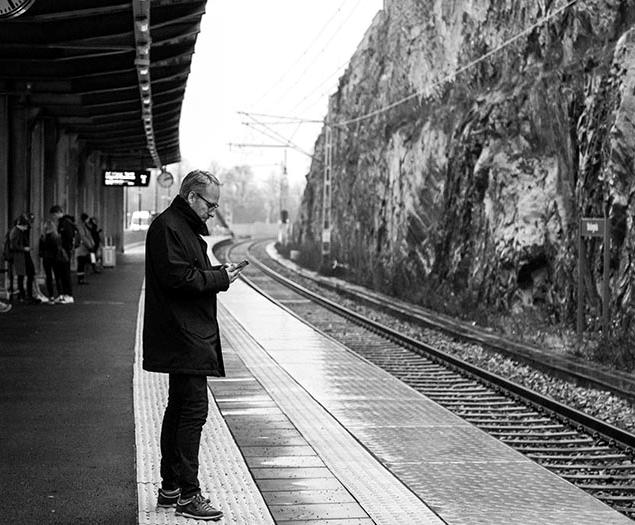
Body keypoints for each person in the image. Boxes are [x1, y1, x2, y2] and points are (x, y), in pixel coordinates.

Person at [143, 170, 242, 521]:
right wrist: (220, 278)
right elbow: (178, 278)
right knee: (192, 412)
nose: (213, 211)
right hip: (183, 335)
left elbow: (185, 272)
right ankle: (188, 494)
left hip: (184, 334)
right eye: (210, 204)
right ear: (191, 197)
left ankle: (171, 487)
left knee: (180, 408)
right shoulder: (169, 227)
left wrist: (217, 273)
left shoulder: (178, 227)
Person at [9, 214, 39, 304]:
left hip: (22, 255)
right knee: (23, 275)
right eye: (25, 226)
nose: (26, 228)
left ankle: (25, 295)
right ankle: (24, 296)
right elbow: (13, 245)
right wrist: (24, 248)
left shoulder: (17, 231)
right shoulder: (16, 232)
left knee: (25, 275)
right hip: (20, 255)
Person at [49, 205, 75, 304]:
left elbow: (67, 237)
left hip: (65, 251)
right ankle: (64, 294)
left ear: (57, 213)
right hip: (64, 251)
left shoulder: (65, 223)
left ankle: (68, 295)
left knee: (65, 273)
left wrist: (58, 238)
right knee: (62, 273)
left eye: (53, 215)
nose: (53, 217)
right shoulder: (64, 222)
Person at [39, 218, 66, 303]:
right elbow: (59, 248)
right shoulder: (57, 237)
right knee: (58, 277)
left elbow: (40, 251)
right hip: (56, 258)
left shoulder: (43, 237)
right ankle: (61, 296)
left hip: (46, 259)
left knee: (49, 277)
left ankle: (51, 297)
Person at [76, 213, 95, 285]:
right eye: (87, 218)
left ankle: (82, 278)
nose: (88, 220)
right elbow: (84, 237)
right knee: (81, 263)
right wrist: (90, 246)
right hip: (82, 249)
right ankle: (81, 279)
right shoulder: (81, 227)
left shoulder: (84, 226)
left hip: (84, 248)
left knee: (82, 263)